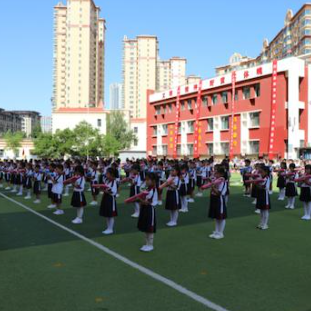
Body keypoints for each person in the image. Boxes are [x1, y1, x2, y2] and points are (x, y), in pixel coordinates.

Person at [137, 172, 158, 252]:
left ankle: (150, 244)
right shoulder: (147, 188)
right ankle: (146, 243)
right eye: (145, 179)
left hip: (150, 209)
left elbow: (148, 202)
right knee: (145, 227)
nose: (146, 181)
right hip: (144, 209)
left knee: (150, 227)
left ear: (153, 181)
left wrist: (140, 200)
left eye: (148, 180)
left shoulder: (153, 189)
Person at [208, 167, 227, 239]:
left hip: (219, 199)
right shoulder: (216, 180)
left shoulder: (222, 181)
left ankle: (221, 233)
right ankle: (216, 231)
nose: (215, 174)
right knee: (216, 217)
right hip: (214, 199)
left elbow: (219, 193)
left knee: (221, 217)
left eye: (217, 173)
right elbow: (212, 191)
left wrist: (212, 187)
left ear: (221, 174)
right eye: (215, 172)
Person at [99, 167, 118, 235]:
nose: (106, 175)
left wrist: (105, 190)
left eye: (107, 173)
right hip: (106, 198)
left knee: (111, 215)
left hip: (110, 199)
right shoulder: (107, 180)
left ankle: (110, 229)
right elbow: (105, 187)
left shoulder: (113, 182)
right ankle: (108, 228)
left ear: (112, 174)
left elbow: (113, 192)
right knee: (107, 214)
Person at [256, 165, 271, 230]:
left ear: (266, 172)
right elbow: (258, 185)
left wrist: (256, 183)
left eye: (262, 172)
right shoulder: (260, 177)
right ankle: (261, 223)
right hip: (260, 194)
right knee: (261, 210)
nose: (261, 173)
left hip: (265, 194)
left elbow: (263, 187)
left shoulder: (267, 178)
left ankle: (265, 224)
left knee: (265, 210)